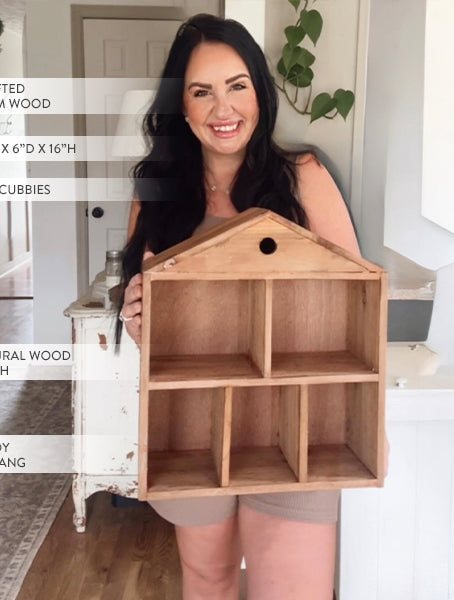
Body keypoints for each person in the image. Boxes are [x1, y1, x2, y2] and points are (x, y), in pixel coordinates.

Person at [118, 13, 360, 600]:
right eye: (201, 91)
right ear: (181, 106)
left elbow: (358, 305)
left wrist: (364, 418)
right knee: (208, 581)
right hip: (192, 425)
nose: (222, 108)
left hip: (298, 423)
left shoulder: (304, 178)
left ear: (260, 94)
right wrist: (139, 321)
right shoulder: (157, 193)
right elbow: (151, 326)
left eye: (237, 86)